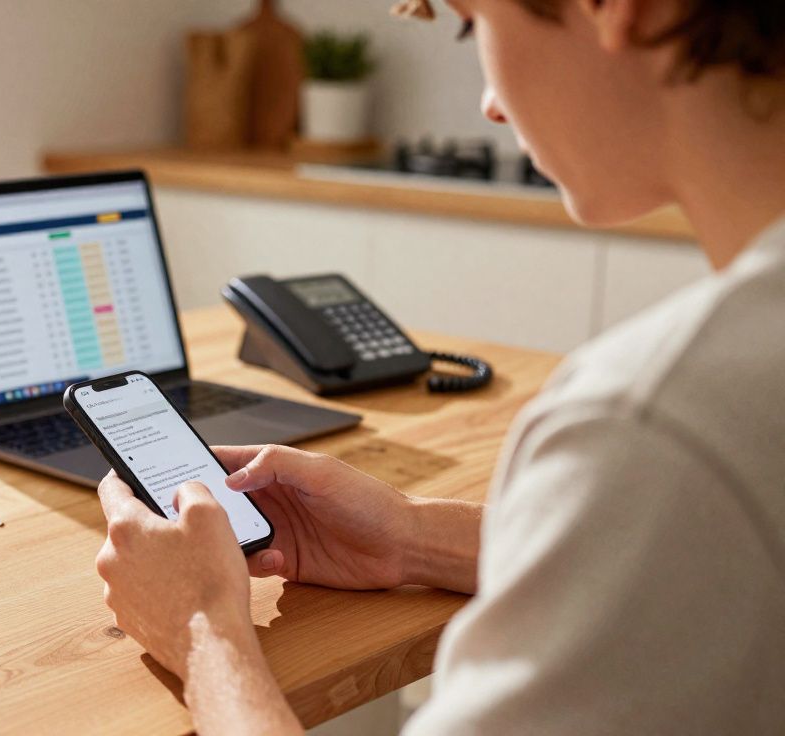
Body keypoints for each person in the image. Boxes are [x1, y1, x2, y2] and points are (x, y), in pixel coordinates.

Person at [93, 1, 785, 733]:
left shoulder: (650, 424)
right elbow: (686, 564)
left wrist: (201, 631)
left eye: (471, 23)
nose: (489, 104)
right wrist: (411, 535)